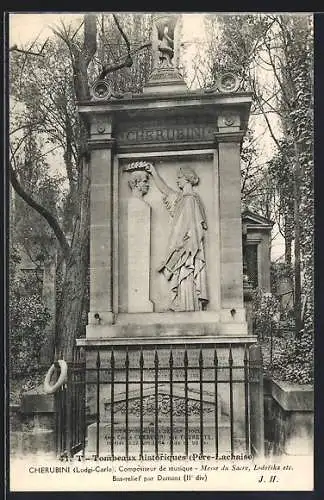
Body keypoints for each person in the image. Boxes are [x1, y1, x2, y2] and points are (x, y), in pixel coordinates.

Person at [147, 164, 208, 312]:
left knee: (186, 273)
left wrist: (181, 245)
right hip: (181, 246)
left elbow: (193, 227)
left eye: (179, 178)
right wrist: (153, 173)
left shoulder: (191, 200)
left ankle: (188, 306)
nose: (177, 181)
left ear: (187, 179)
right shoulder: (182, 198)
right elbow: (166, 190)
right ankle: (183, 304)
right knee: (181, 276)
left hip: (187, 248)